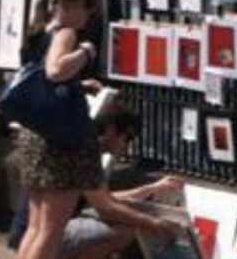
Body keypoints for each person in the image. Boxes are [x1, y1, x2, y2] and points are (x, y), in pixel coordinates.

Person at [11, 100, 181, 258]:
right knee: (123, 232)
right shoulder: (87, 151)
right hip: (44, 235)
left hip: (24, 232)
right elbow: (106, 208)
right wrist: (154, 223)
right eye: (128, 137)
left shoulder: (78, 141)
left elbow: (106, 199)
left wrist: (153, 188)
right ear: (111, 130)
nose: (127, 145)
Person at [15, 0, 104, 259]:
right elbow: (55, 72)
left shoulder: (42, 31)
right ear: (79, 7)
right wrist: (85, 52)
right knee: (51, 229)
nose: (87, 16)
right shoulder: (67, 34)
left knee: (37, 226)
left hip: (36, 135)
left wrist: (78, 84)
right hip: (59, 141)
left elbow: (45, 79)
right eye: (87, 10)